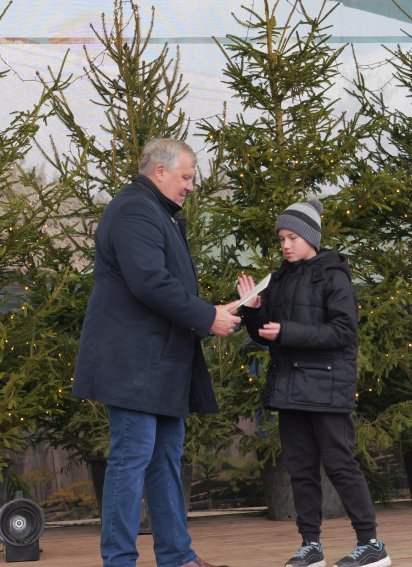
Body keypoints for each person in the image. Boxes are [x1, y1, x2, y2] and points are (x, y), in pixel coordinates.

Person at [73, 137, 241, 567]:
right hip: (134, 363)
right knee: (131, 458)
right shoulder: (134, 208)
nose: (190, 186)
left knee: (164, 457)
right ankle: (119, 561)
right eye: (186, 177)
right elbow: (150, 282)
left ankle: (177, 556)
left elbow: (164, 285)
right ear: (159, 171)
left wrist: (211, 312)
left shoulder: (156, 212)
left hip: (160, 362)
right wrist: (207, 317)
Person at [237, 198, 390, 567]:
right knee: (300, 468)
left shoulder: (333, 275)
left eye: (292, 237)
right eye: (281, 239)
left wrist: (288, 331)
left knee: (340, 465)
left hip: (326, 388)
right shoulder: (280, 277)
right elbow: (265, 334)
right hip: (290, 389)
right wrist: (253, 310)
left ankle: (371, 544)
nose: (285, 245)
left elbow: (342, 332)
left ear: (311, 237)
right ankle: (311, 547)